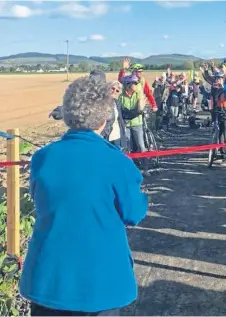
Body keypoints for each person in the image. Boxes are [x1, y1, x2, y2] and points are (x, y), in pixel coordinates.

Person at [20, 76, 148, 316]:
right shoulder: (117, 162)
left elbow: (41, 200)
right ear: (104, 118)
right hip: (101, 282)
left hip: (49, 280)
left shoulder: (43, 157)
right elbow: (133, 213)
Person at [119, 75, 150, 177]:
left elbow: (133, 112)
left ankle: (145, 169)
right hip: (126, 125)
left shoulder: (138, 95)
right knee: (126, 147)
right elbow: (123, 113)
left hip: (137, 124)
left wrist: (133, 113)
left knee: (141, 146)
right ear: (128, 85)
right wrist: (136, 111)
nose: (136, 85)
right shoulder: (121, 97)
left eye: (137, 83)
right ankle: (130, 169)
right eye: (134, 83)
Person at [103, 80, 127, 151]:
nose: (114, 91)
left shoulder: (117, 103)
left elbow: (125, 114)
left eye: (117, 90)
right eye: (112, 88)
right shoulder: (103, 102)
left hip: (117, 135)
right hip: (106, 135)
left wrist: (138, 110)